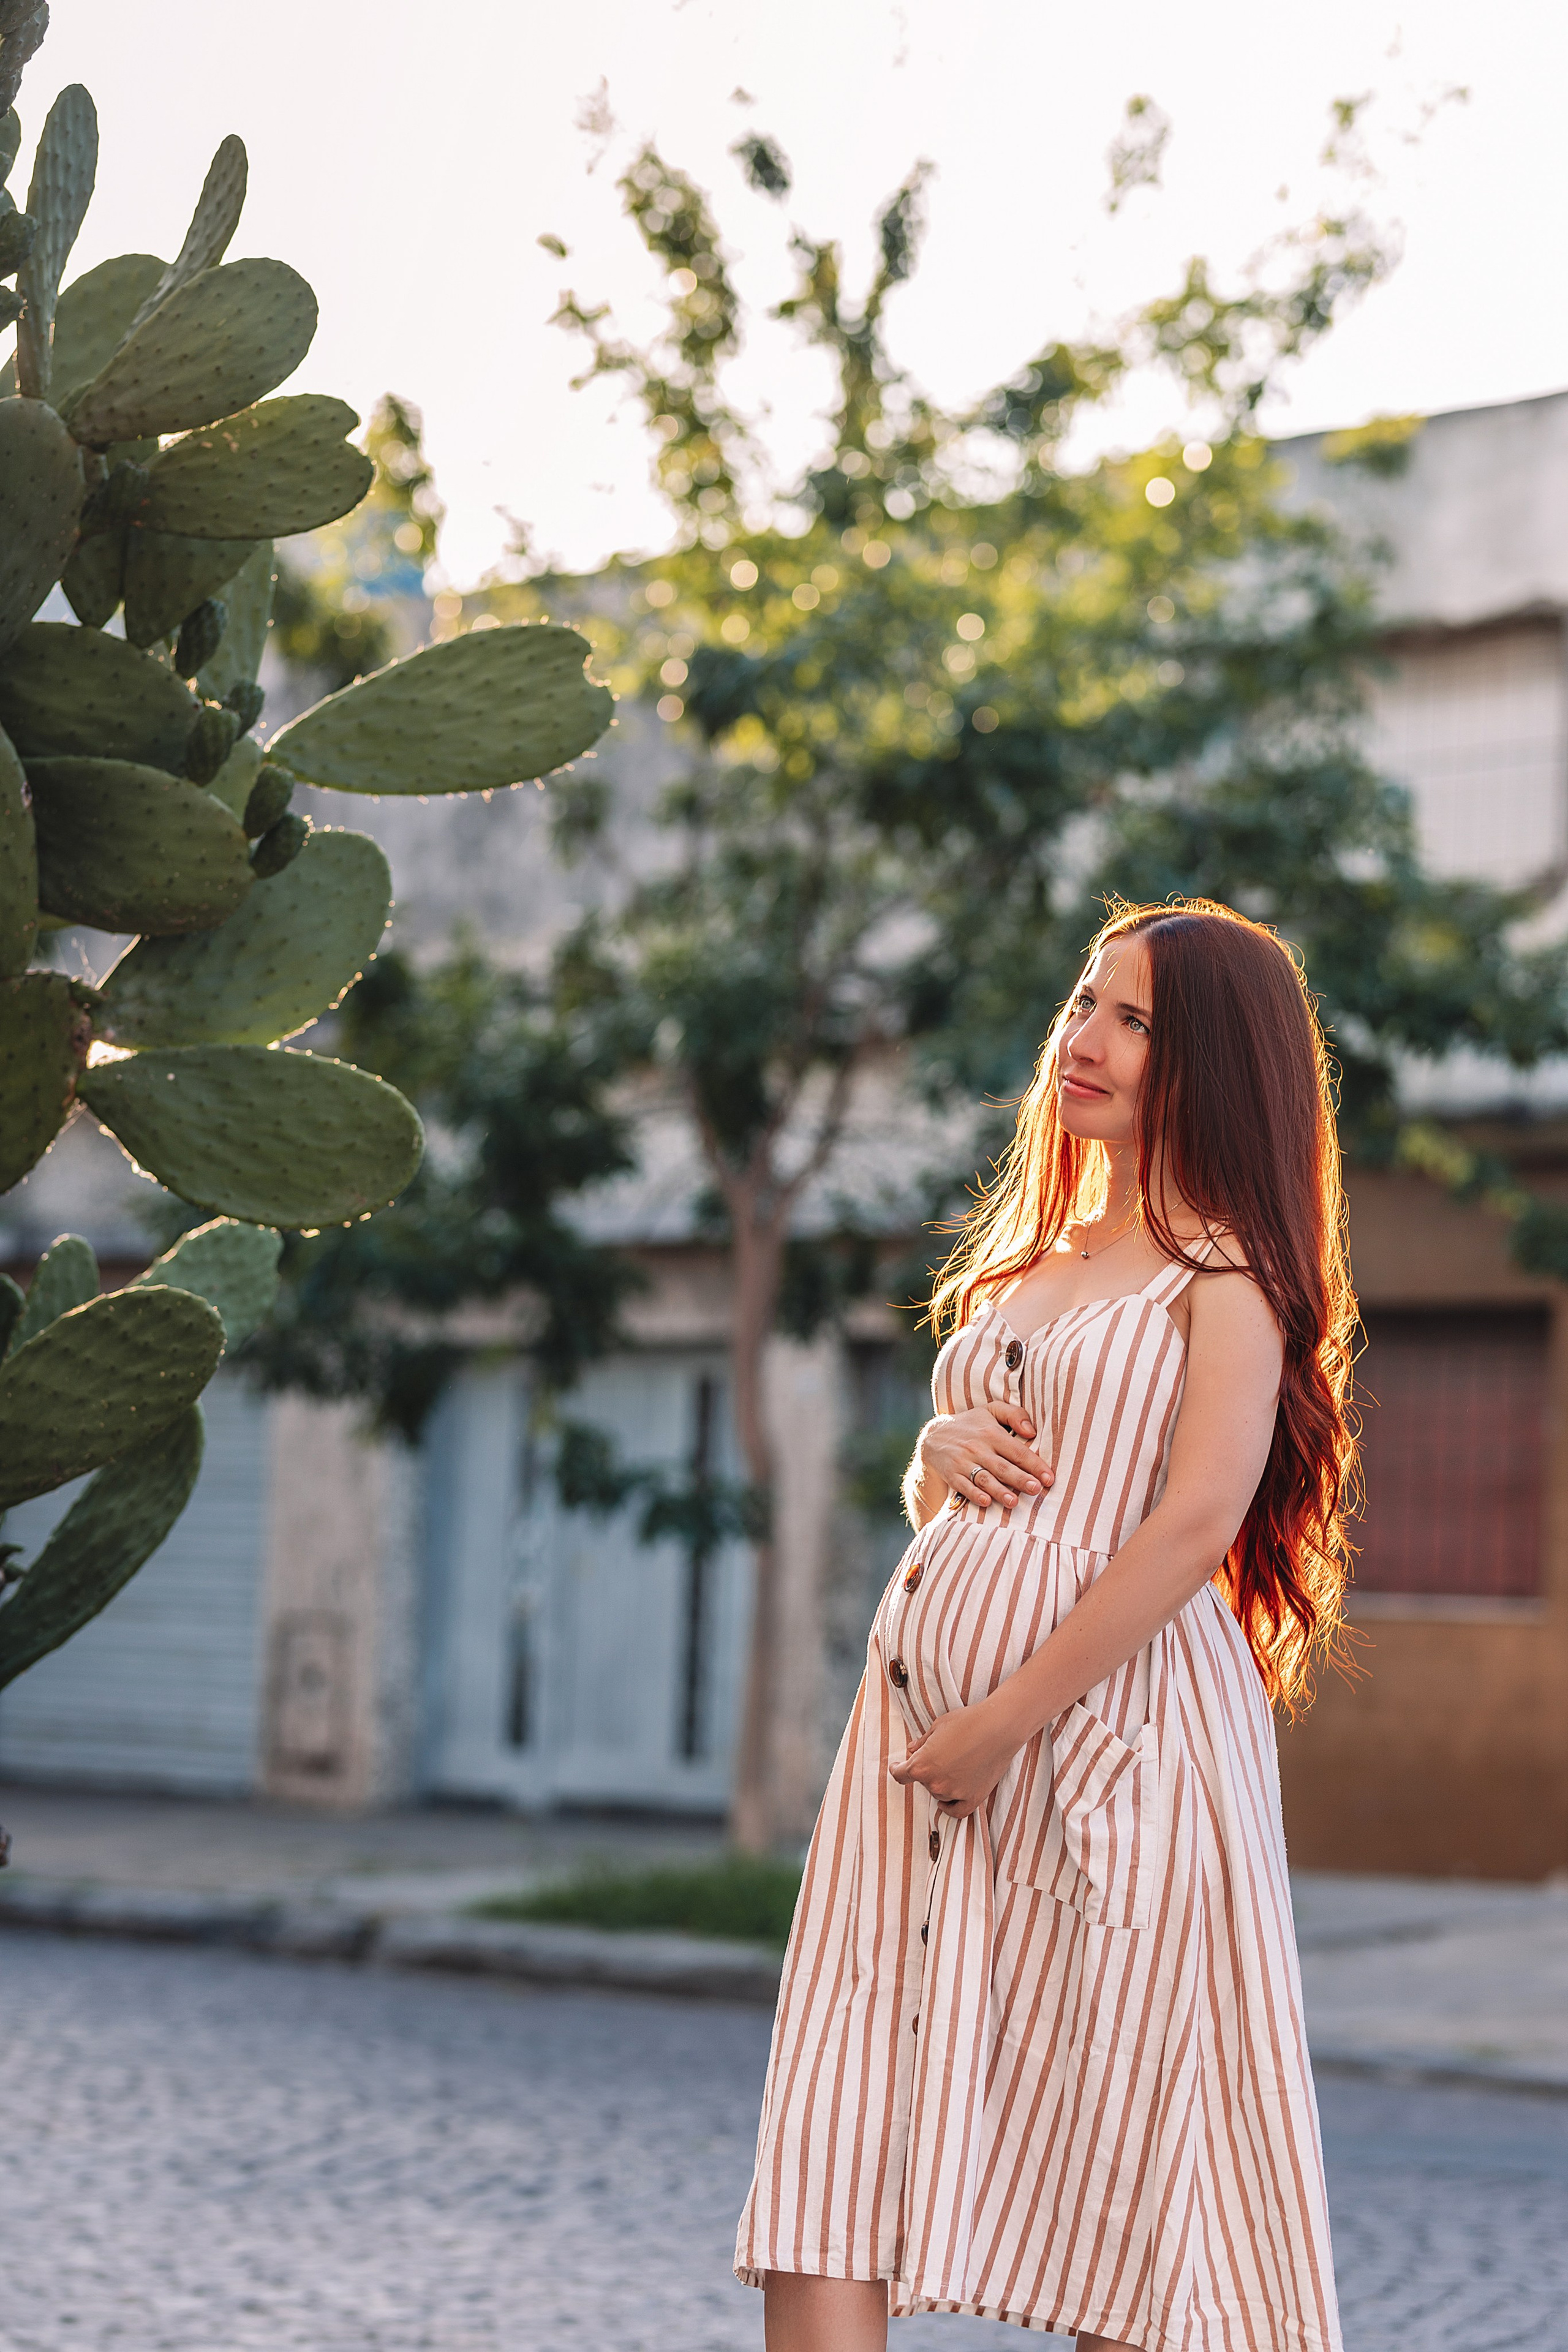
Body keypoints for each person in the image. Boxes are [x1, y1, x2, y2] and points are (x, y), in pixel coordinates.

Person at [736, 899, 1356, 2351]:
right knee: (840, 2109)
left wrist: (1002, 1726)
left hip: (1108, 1745)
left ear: (1213, 1062)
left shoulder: (1227, 1281)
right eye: (1085, 1001)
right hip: (920, 1748)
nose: (1083, 1038)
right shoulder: (1029, 1260)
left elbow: (1196, 1521)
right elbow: (972, 1506)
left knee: (1128, 2164)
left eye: (1133, 1019)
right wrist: (926, 1460)